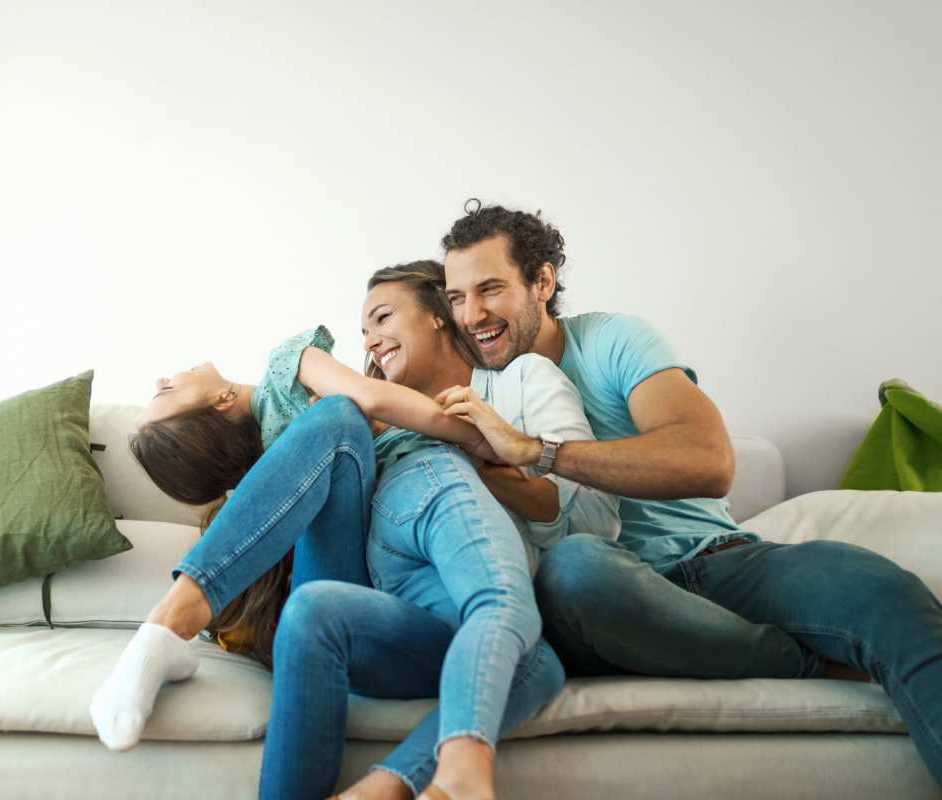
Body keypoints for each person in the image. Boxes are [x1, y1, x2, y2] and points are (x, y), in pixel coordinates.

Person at [435, 199, 942, 786]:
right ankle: (800, 660)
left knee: (885, 590)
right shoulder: (469, 391)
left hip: (722, 563)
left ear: (542, 281)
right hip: (606, 598)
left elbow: (708, 461)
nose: (472, 314)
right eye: (456, 298)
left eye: (490, 289)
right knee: (576, 568)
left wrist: (536, 450)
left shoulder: (612, 342)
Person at [91, 261, 617, 800]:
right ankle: (172, 617)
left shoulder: (296, 426)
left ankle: (383, 789)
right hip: (363, 565)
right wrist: (478, 437)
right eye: (165, 395)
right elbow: (371, 399)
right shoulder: (297, 387)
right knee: (341, 415)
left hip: (375, 602)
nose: (161, 379)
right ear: (221, 403)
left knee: (536, 659)